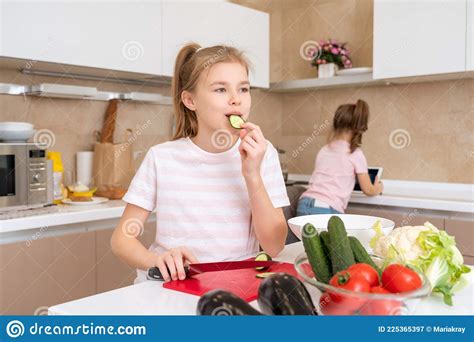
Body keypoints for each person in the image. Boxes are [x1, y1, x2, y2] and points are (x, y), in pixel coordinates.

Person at [111, 43, 290, 283]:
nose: (236, 100)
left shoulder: (262, 154)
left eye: (244, 89)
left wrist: (252, 174)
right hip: (170, 287)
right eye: (220, 90)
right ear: (190, 100)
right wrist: (156, 261)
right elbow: (122, 240)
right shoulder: (161, 158)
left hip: (235, 286)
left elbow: (275, 245)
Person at [297, 99, 383, 216]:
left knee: (302, 235)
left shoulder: (324, 149)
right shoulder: (355, 154)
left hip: (304, 203)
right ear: (358, 128)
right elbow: (368, 190)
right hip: (327, 208)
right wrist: (378, 187)